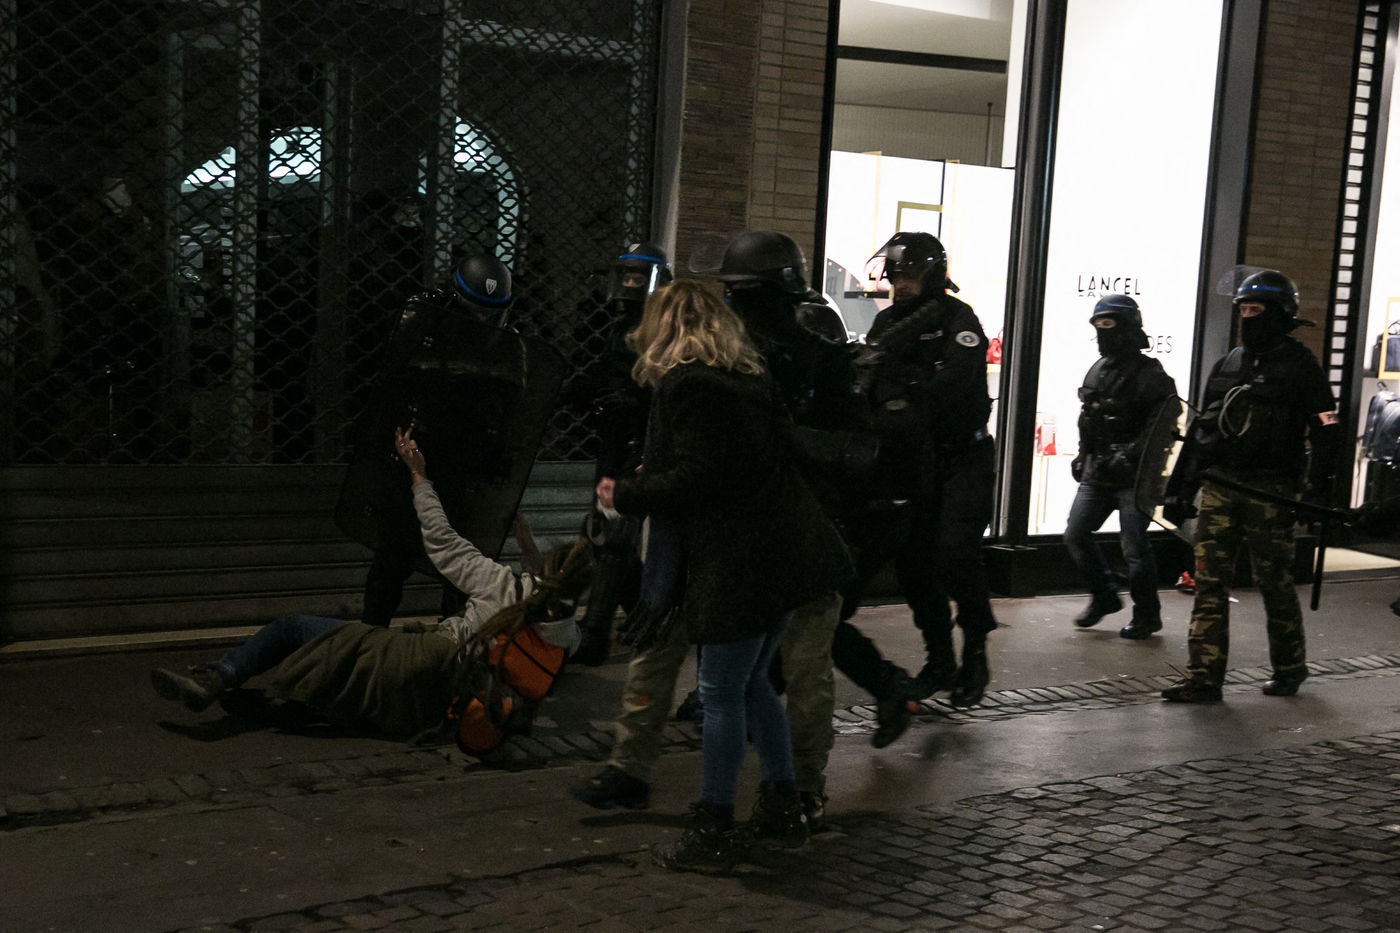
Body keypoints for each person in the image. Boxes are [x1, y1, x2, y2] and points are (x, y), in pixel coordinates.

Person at [594, 279, 853, 874]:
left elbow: (697, 477)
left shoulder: (691, 385)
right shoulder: (748, 378)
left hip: (741, 561)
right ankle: (783, 804)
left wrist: (624, 492)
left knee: (720, 692)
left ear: (667, 327)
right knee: (755, 682)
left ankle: (714, 824)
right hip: (786, 552)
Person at [152, 427, 592, 736]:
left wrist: (418, 473)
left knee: (293, 630)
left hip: (422, 658)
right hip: (449, 700)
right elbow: (545, 592)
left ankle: (216, 678)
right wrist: (528, 545)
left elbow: (441, 538)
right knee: (330, 690)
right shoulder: (564, 633)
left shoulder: (498, 583)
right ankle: (240, 695)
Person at [1160, 270, 1339, 702]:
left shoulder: (1301, 367)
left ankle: (1290, 668)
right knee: (1209, 583)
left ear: (1279, 314)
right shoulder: (1228, 365)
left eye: (1255, 310)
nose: (1247, 318)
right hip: (1221, 486)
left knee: (1274, 583)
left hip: (1271, 492)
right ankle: (1204, 679)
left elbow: (1327, 430)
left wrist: (1318, 491)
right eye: (1242, 310)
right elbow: (1202, 430)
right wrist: (1179, 489)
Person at [850, 231, 998, 707]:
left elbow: (954, 382)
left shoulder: (957, 318)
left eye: (910, 273)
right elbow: (870, 385)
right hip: (914, 459)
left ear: (932, 274)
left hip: (962, 457)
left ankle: (975, 651)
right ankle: (940, 660)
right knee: (915, 564)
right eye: (895, 273)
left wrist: (909, 388)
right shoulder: (887, 323)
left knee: (956, 553)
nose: (901, 282)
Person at [352, 254, 521, 626]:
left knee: (462, 566)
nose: (482, 322)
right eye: (475, 312)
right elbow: (392, 381)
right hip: (419, 457)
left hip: (467, 468)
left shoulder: (507, 346)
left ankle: (459, 643)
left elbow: (513, 413)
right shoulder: (427, 325)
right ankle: (370, 634)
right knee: (393, 556)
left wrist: (499, 462)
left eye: (489, 315)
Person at [573, 243, 674, 665]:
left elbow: (668, 391)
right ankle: (647, 624)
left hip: (643, 445)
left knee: (614, 535)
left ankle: (596, 632)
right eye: (626, 276)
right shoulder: (613, 327)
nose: (630, 284)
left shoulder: (665, 332)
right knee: (606, 535)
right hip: (613, 442)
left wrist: (636, 404)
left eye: (638, 277)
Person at [1064, 294, 1178, 639]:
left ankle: (1147, 614)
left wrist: (1131, 453)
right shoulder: (1098, 370)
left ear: (1127, 327)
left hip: (1136, 475)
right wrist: (1083, 453)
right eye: (1099, 325)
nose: (1103, 332)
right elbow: (1089, 418)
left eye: (1109, 324)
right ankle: (1104, 595)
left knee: (1135, 547)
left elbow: (1165, 422)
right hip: (1099, 470)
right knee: (1075, 533)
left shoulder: (1151, 374)